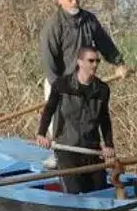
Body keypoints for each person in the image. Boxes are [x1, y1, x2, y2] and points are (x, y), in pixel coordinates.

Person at [35, 47, 118, 193]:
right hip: (67, 149)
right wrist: (41, 134)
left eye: (97, 61)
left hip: (92, 149)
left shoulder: (102, 89)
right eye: (91, 60)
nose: (95, 64)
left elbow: (104, 119)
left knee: (100, 192)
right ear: (80, 62)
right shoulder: (62, 85)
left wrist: (109, 144)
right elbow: (49, 111)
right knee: (73, 192)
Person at [40, 0, 128, 88]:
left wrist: (119, 63)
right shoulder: (53, 26)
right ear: (60, 1)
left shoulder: (89, 20)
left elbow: (105, 44)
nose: (74, 2)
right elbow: (48, 59)